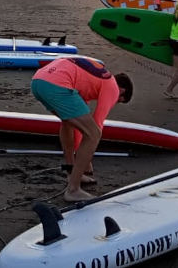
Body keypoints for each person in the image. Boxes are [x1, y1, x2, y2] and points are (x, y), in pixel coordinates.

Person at [31, 57, 133, 201]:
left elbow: (79, 128)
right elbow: (97, 123)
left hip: (38, 81)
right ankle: (73, 189)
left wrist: (82, 155)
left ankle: (70, 172)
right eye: (118, 101)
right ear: (122, 90)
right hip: (57, 83)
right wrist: (86, 160)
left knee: (68, 122)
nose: (114, 101)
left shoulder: (89, 82)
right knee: (94, 134)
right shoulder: (112, 86)